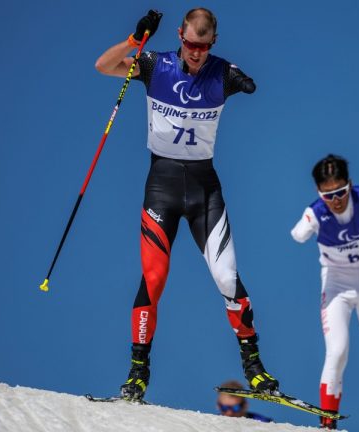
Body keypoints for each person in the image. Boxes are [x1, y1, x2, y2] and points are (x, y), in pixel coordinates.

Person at [94, 7, 279, 401]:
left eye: (203, 46)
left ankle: (254, 366)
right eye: (190, 44)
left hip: (204, 190)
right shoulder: (153, 64)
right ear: (180, 35)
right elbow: (103, 66)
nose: (196, 53)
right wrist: (134, 39)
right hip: (161, 187)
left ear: (213, 42)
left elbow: (249, 82)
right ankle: (138, 371)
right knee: (154, 278)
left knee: (227, 278)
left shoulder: (222, 72)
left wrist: (243, 82)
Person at [291, 155, 359, 432]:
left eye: (340, 191)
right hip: (337, 284)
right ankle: (328, 425)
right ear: (319, 193)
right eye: (328, 195)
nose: (336, 200)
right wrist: (311, 221)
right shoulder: (316, 213)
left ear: (349, 185)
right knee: (337, 352)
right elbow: (297, 234)